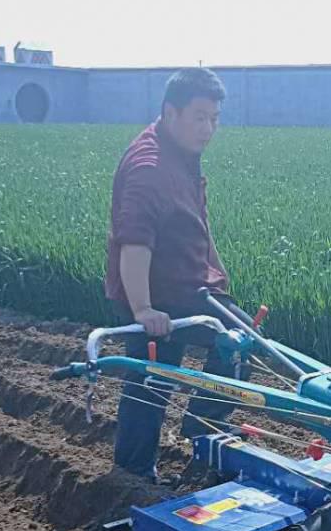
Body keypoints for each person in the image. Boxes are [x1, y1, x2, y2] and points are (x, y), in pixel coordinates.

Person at [104, 67, 250, 481]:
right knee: (230, 348)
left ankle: (142, 462)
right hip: (156, 292)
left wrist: (217, 274)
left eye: (215, 119)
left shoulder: (181, 154)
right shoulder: (150, 168)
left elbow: (196, 223)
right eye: (200, 117)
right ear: (171, 112)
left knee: (157, 377)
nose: (209, 128)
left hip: (186, 283)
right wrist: (143, 309)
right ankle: (173, 447)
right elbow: (133, 243)